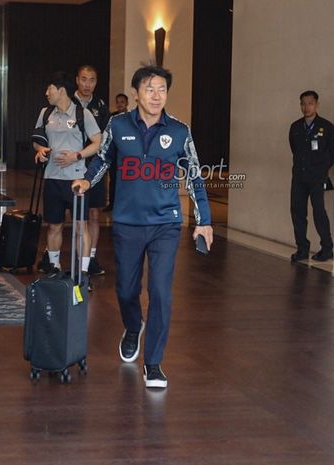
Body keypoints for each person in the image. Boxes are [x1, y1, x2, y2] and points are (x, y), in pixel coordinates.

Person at [72, 65, 213, 389]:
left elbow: (194, 175)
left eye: (161, 89)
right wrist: (85, 179)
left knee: (161, 292)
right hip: (127, 223)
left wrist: (204, 220)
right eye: (149, 89)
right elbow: (103, 159)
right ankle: (133, 326)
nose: (156, 95)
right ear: (136, 93)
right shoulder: (118, 124)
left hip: (166, 223)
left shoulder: (179, 130)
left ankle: (153, 363)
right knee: (126, 289)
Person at [33, 71, 101, 287]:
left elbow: (98, 143)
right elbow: (37, 140)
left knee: (81, 226)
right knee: (54, 226)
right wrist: (41, 149)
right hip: (52, 178)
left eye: (49, 89)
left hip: (77, 181)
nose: (46, 93)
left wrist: (77, 155)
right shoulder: (45, 113)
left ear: (60, 90)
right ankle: (54, 268)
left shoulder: (83, 114)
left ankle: (82, 274)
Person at [288, 90, 334, 262]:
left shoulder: (326, 127)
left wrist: (321, 169)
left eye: (310, 103)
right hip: (299, 178)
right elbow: (294, 148)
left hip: (317, 178)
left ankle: (327, 248)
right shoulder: (295, 127)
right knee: (297, 212)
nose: (306, 107)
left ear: (317, 105)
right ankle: (302, 248)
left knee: (319, 212)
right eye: (303, 103)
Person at [73, 65, 110, 276]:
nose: (87, 84)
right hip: (73, 164)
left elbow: (105, 136)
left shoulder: (101, 106)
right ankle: (77, 258)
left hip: (95, 164)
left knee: (94, 213)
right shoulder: (68, 103)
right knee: (77, 215)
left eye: (92, 80)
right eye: (84, 79)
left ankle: (92, 257)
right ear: (77, 80)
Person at [104, 93, 129, 212]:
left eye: (122, 102)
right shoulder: (112, 117)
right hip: (114, 153)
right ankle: (112, 203)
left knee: (126, 180)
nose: (119, 104)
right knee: (113, 179)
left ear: (127, 104)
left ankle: (125, 204)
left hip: (127, 154)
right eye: (118, 102)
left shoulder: (131, 117)